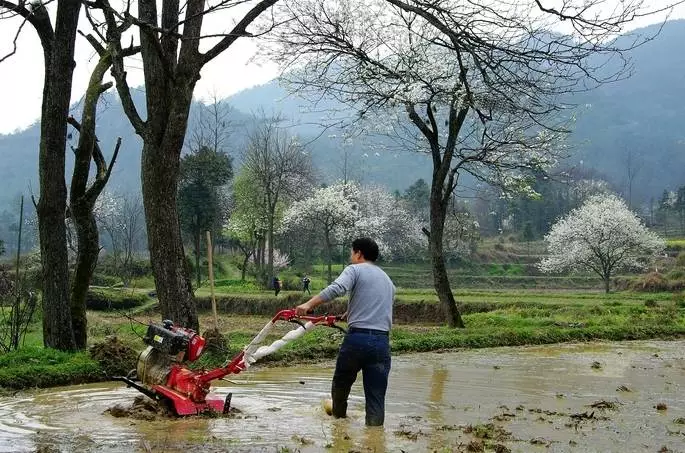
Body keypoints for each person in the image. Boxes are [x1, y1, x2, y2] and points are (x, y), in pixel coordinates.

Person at [296, 237, 395, 426]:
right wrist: (350, 313)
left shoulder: (354, 270)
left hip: (357, 341)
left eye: (352, 252)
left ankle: (338, 425)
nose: (351, 256)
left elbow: (337, 288)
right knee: (376, 396)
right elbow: (379, 305)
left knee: (341, 385)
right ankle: (374, 438)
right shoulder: (387, 280)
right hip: (381, 344)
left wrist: (308, 304)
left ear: (359, 253)